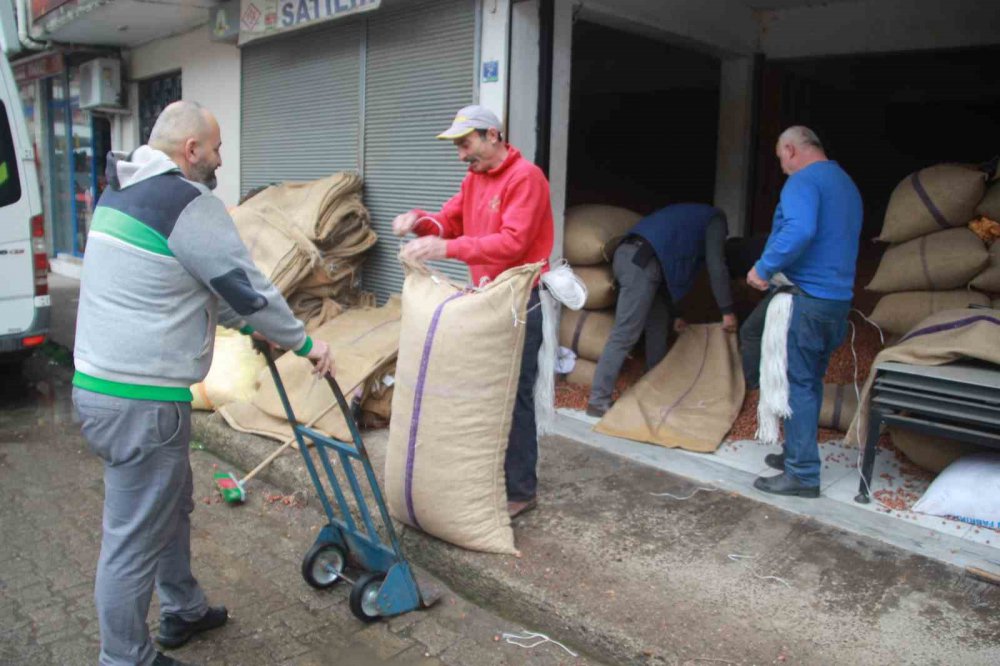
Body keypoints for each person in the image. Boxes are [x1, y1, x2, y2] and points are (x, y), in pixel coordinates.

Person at [72, 101, 333, 666]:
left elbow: (182, 281)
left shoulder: (121, 191)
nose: (219, 160)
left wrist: (247, 324)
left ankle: (183, 607)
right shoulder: (187, 203)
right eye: (216, 148)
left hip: (101, 389)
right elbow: (247, 288)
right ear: (191, 150)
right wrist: (307, 344)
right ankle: (125, 658)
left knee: (170, 505)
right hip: (141, 402)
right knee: (131, 538)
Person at [393, 104, 554, 519]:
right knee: (484, 391)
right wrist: (419, 222)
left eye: (466, 144)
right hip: (485, 298)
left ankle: (521, 489)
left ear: (492, 135)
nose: (462, 155)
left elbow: (513, 243)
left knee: (514, 396)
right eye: (458, 148)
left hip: (520, 302)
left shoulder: (526, 179)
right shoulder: (474, 179)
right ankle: (488, 475)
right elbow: (449, 221)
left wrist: (446, 248)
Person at [744, 126, 862, 498]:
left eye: (781, 159)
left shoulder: (802, 181)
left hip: (806, 300)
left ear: (791, 150)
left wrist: (763, 268)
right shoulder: (845, 184)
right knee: (805, 378)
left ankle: (803, 474)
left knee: (800, 384)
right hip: (835, 302)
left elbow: (799, 229)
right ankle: (796, 452)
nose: (783, 167)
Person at [586, 204, 736, 417]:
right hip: (640, 263)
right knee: (625, 333)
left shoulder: (686, 220)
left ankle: (653, 386)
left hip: (634, 257)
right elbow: (716, 265)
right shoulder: (715, 221)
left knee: (658, 323)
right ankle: (598, 401)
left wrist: (676, 314)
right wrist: (727, 310)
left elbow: (670, 272)